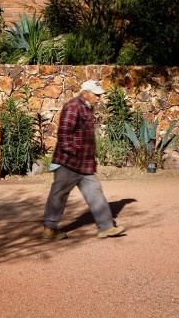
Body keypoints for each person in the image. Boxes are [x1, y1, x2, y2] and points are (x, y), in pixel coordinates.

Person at [42, 79, 126, 240]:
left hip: (83, 165)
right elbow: (64, 133)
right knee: (58, 195)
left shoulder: (87, 108)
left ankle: (106, 227)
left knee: (95, 192)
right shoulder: (74, 106)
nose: (99, 98)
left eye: (99, 95)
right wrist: (75, 152)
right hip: (69, 163)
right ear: (85, 93)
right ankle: (49, 229)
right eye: (96, 94)